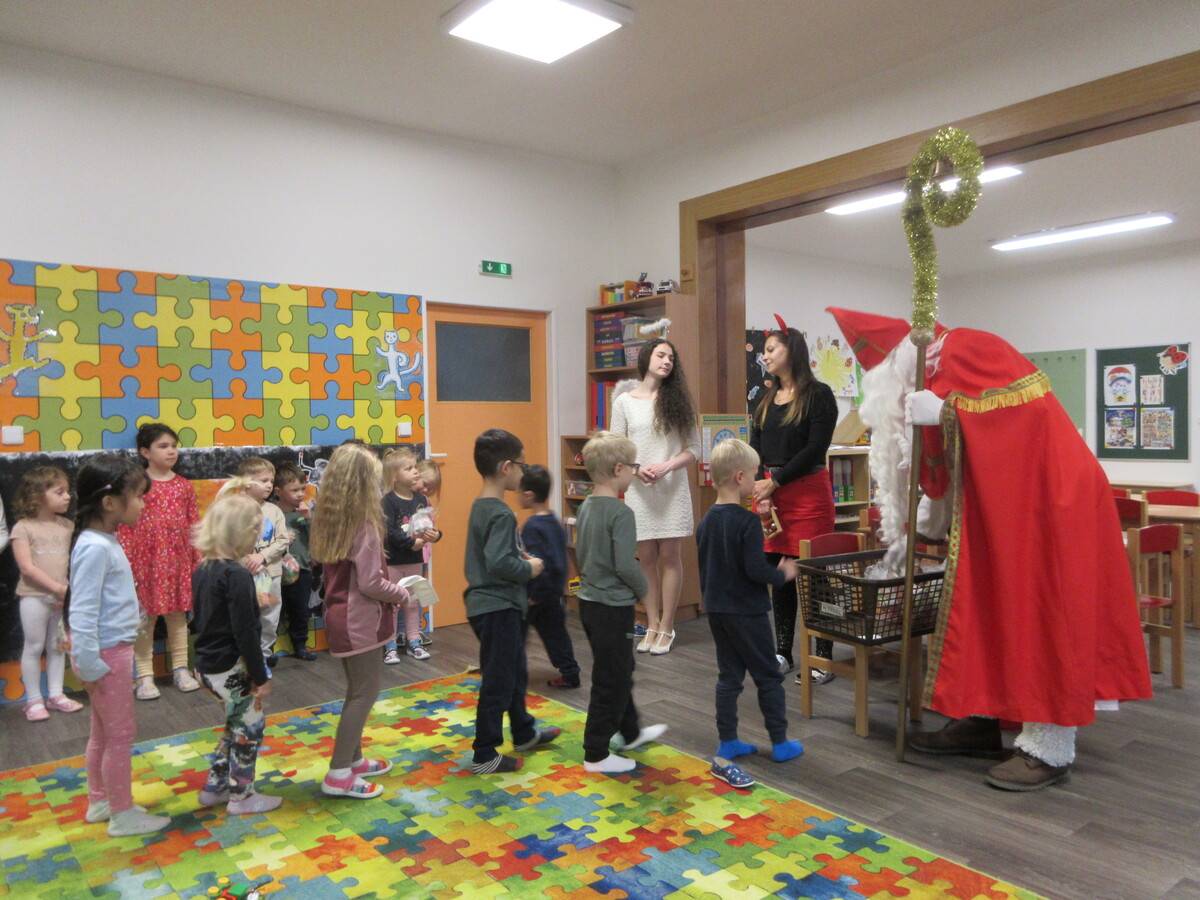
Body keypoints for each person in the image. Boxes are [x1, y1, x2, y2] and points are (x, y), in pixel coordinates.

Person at [829, 306, 1153, 790]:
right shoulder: (929, 377)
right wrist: (917, 527)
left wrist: (946, 412)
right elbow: (944, 473)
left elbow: (1027, 415)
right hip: (997, 513)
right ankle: (981, 719)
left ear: (899, 360)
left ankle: (1048, 746)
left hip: (1048, 503)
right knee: (984, 610)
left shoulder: (969, 347)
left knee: (1042, 613)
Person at [68, 454, 170, 836]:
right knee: (120, 734)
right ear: (110, 503)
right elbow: (82, 610)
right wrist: (88, 661)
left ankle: (101, 801)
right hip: (107, 655)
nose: (143, 504)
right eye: (138, 496)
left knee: (102, 733)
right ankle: (122, 815)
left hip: (107, 651)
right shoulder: (95, 546)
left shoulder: (101, 541)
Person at [697, 439, 803, 787]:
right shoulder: (746, 522)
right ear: (740, 477)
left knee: (729, 677)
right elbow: (756, 571)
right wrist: (782, 574)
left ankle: (728, 740)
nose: (757, 481)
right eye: (755, 475)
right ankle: (780, 743)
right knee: (768, 676)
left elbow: (706, 568)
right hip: (748, 612)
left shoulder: (706, 521)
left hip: (717, 610)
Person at [310, 443, 411, 799]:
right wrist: (402, 593)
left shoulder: (332, 519)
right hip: (359, 621)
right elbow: (370, 583)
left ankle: (352, 760)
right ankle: (339, 773)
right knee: (364, 694)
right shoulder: (364, 525)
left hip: (341, 617)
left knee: (357, 691)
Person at [464, 429, 560, 774]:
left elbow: (495, 554)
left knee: (515, 671)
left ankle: (523, 732)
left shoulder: (482, 506)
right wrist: (528, 567)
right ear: (506, 467)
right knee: (499, 679)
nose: (524, 470)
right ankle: (484, 753)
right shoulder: (501, 513)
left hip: (496, 605)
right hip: (497, 606)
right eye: (522, 464)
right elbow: (499, 564)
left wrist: (518, 557)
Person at [749, 322, 837, 684]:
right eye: (764, 351)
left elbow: (816, 448)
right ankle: (783, 652)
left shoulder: (819, 394)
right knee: (780, 575)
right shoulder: (765, 399)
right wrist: (761, 488)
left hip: (808, 495)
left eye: (771, 349)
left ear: (792, 350)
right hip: (772, 495)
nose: (765, 356)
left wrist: (774, 482)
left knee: (815, 579)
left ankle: (822, 658)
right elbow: (756, 448)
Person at [575, 430, 668, 774]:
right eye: (633, 466)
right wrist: (645, 591)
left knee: (618, 668)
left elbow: (584, 554)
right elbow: (626, 564)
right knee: (611, 678)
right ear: (618, 469)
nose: (635, 471)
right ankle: (595, 753)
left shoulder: (586, 507)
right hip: (612, 608)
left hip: (589, 603)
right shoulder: (621, 513)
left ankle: (630, 732)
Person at [610, 336, 701, 655]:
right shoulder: (624, 402)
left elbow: (695, 448)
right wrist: (636, 470)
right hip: (640, 490)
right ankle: (651, 623)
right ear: (646, 358)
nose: (667, 362)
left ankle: (667, 626)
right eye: (661, 355)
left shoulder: (678, 400)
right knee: (646, 558)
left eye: (671, 358)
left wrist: (668, 465)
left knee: (670, 556)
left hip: (672, 488)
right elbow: (616, 449)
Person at [192, 493, 280, 815]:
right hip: (231, 667)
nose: (258, 536)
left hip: (206, 665)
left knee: (234, 723)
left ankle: (215, 788)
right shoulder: (237, 575)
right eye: (255, 529)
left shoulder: (204, 568)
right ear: (239, 532)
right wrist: (260, 676)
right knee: (250, 729)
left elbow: (208, 618)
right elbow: (246, 633)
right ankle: (242, 797)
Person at [118, 423, 201, 700]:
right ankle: (144, 676)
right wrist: (127, 562)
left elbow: (194, 524)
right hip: (146, 563)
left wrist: (197, 559)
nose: (171, 451)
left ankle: (181, 669)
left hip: (177, 562)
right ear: (145, 452)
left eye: (174, 446)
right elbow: (126, 526)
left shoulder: (184, 486)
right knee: (145, 620)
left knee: (178, 617)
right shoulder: (137, 485)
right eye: (163, 446)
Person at [10, 466, 83, 721]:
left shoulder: (68, 526)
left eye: (67, 491)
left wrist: (66, 593)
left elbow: (74, 563)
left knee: (57, 646)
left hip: (61, 598)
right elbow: (26, 568)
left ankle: (56, 694)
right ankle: (33, 700)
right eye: (59, 492)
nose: (68, 496)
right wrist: (59, 589)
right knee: (34, 646)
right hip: (34, 597)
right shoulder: (23, 528)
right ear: (37, 496)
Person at [518, 464, 581, 689]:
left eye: (519, 492)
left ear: (529, 495)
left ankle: (508, 673)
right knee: (556, 636)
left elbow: (538, 564)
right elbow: (559, 562)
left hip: (536, 596)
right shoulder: (554, 521)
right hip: (553, 594)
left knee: (516, 635)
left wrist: (533, 597)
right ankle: (570, 673)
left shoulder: (532, 526)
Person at [380, 447, 438, 664]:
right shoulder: (388, 501)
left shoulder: (421, 499)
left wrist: (434, 535)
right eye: (409, 468)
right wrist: (411, 543)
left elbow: (426, 525)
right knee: (393, 604)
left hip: (415, 561)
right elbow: (389, 530)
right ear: (395, 476)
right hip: (393, 561)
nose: (415, 471)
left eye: (415, 467)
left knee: (413, 602)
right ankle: (390, 645)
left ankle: (414, 642)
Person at [236, 457, 292, 663]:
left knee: (269, 617)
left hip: (270, 574)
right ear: (246, 482)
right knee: (243, 616)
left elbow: (283, 540)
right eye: (263, 480)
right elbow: (226, 540)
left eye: (271, 481)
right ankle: (243, 658)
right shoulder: (234, 509)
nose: (269, 485)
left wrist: (262, 556)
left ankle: (263, 656)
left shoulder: (274, 510)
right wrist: (244, 560)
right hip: (243, 575)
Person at [273, 462, 317, 661]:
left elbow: (317, 539)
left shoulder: (303, 514)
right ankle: (268, 650)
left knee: (300, 610)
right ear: (278, 491)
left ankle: (300, 645)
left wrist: (309, 519)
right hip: (275, 569)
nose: (300, 494)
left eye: (302, 489)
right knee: (273, 610)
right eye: (294, 490)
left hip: (302, 569)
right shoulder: (272, 513)